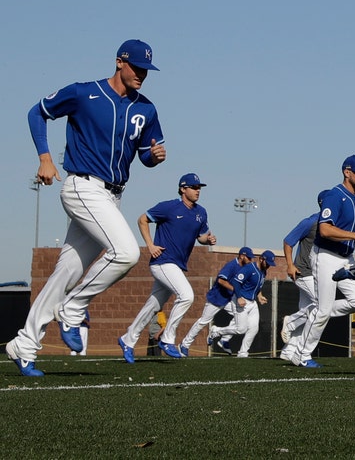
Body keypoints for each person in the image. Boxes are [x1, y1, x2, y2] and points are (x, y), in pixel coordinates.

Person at [8, 40, 167, 377]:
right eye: (136, 67)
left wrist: (152, 158)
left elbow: (144, 155)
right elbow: (37, 112)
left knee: (64, 272)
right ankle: (73, 307)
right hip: (82, 186)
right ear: (119, 62)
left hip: (112, 196)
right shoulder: (84, 93)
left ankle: (23, 345)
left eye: (146, 70)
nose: (142, 74)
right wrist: (45, 159)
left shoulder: (147, 109)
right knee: (126, 253)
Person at [118, 173, 218, 363]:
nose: (198, 191)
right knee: (187, 296)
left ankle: (127, 340)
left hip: (176, 265)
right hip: (163, 261)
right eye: (194, 187)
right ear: (183, 189)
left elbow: (201, 236)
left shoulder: (201, 212)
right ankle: (167, 339)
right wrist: (150, 245)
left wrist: (208, 240)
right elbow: (142, 220)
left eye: (199, 188)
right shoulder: (169, 207)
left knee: (153, 306)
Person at [289, 156, 355, 369]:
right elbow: (325, 230)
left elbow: (352, 230)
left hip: (346, 259)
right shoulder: (335, 195)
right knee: (324, 309)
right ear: (347, 172)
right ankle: (302, 354)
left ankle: (314, 312)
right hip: (325, 256)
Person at [180, 247, 254, 355]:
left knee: (242, 317)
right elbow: (221, 280)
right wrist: (235, 290)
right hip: (217, 299)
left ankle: (223, 338)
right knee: (203, 322)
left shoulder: (245, 268)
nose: (250, 260)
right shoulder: (231, 265)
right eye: (248, 258)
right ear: (242, 256)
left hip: (229, 300)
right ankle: (184, 344)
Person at [209, 250, 276, 357]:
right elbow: (236, 282)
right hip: (241, 301)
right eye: (267, 263)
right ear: (261, 259)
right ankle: (217, 331)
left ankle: (243, 352)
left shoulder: (263, 272)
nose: (268, 266)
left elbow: (257, 286)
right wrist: (239, 297)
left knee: (254, 328)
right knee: (241, 329)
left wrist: (259, 296)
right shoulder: (249, 268)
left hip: (252, 303)